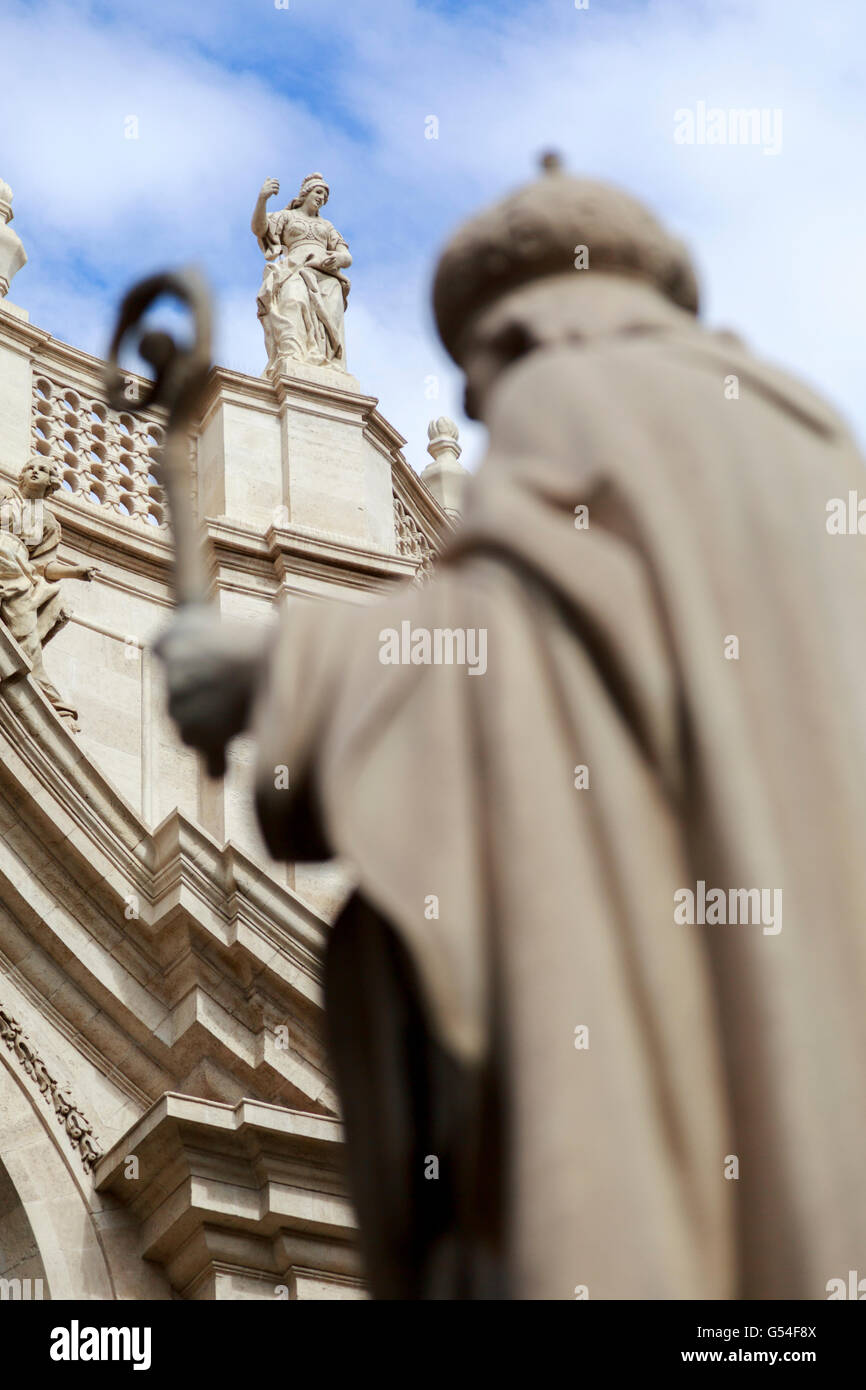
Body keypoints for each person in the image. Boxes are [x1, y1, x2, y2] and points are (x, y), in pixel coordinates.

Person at [157, 157, 866, 1299]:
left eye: (479, 369)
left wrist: (276, 666)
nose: (483, 407)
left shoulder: (580, 390)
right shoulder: (805, 433)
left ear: (517, 320)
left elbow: (521, 649)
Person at [0, 457, 98, 727]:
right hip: (2, 555)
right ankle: (48, 697)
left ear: (51, 482)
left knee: (28, 625)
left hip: (19, 566)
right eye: (29, 467)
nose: (33, 471)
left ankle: (42, 692)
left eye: (42, 470)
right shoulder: (6, 495)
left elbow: (43, 567)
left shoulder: (49, 522)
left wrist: (76, 571)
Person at [251, 171, 352, 372]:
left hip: (326, 275)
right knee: (293, 301)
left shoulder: (326, 226)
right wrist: (262, 199)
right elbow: (260, 229)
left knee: (329, 316)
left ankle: (327, 361)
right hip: (294, 269)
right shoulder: (288, 216)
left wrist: (337, 258)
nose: (321, 197)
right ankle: (293, 355)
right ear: (306, 193)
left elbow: (346, 256)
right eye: (318, 192)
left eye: (325, 195)